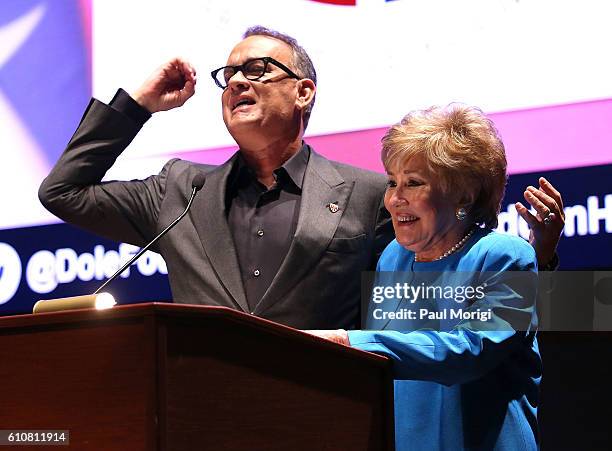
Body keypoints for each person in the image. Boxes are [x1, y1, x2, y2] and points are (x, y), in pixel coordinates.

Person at [39, 26, 563, 331]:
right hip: (199, 418)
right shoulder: (177, 190)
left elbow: (443, 298)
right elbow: (62, 191)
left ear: (304, 92)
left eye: (259, 69)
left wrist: (538, 257)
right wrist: (136, 105)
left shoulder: (367, 194)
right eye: (230, 74)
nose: (238, 80)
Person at [309, 105, 547, 450]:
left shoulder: (506, 256)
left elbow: (470, 353)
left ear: (463, 194)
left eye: (413, 183)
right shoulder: (393, 257)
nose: (394, 199)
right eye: (392, 182)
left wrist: (349, 343)